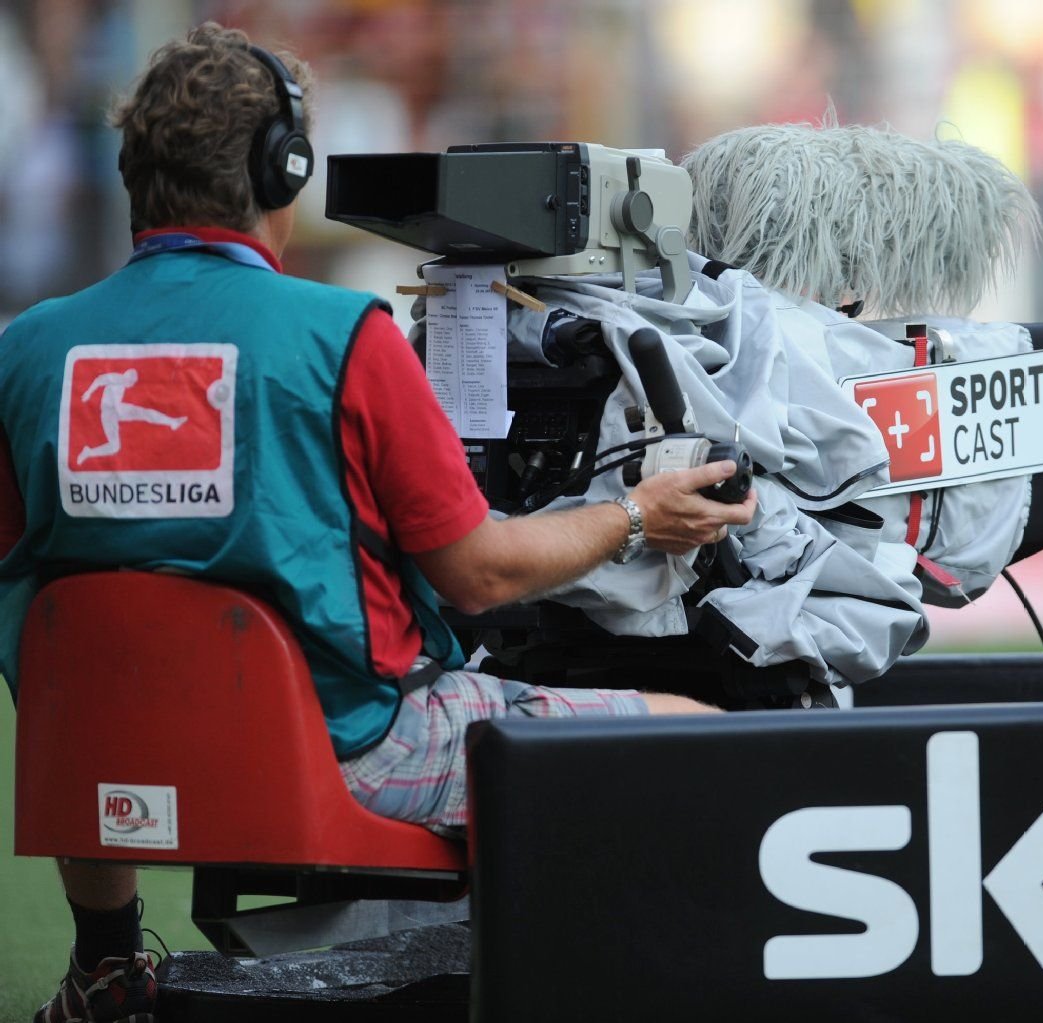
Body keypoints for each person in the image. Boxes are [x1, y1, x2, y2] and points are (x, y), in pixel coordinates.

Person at [0, 24, 755, 1023]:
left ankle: (104, 969)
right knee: (705, 744)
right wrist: (632, 516)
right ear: (287, 168)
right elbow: (479, 576)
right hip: (349, 749)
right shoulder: (341, 337)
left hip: (102, 754)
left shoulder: (25, 351)